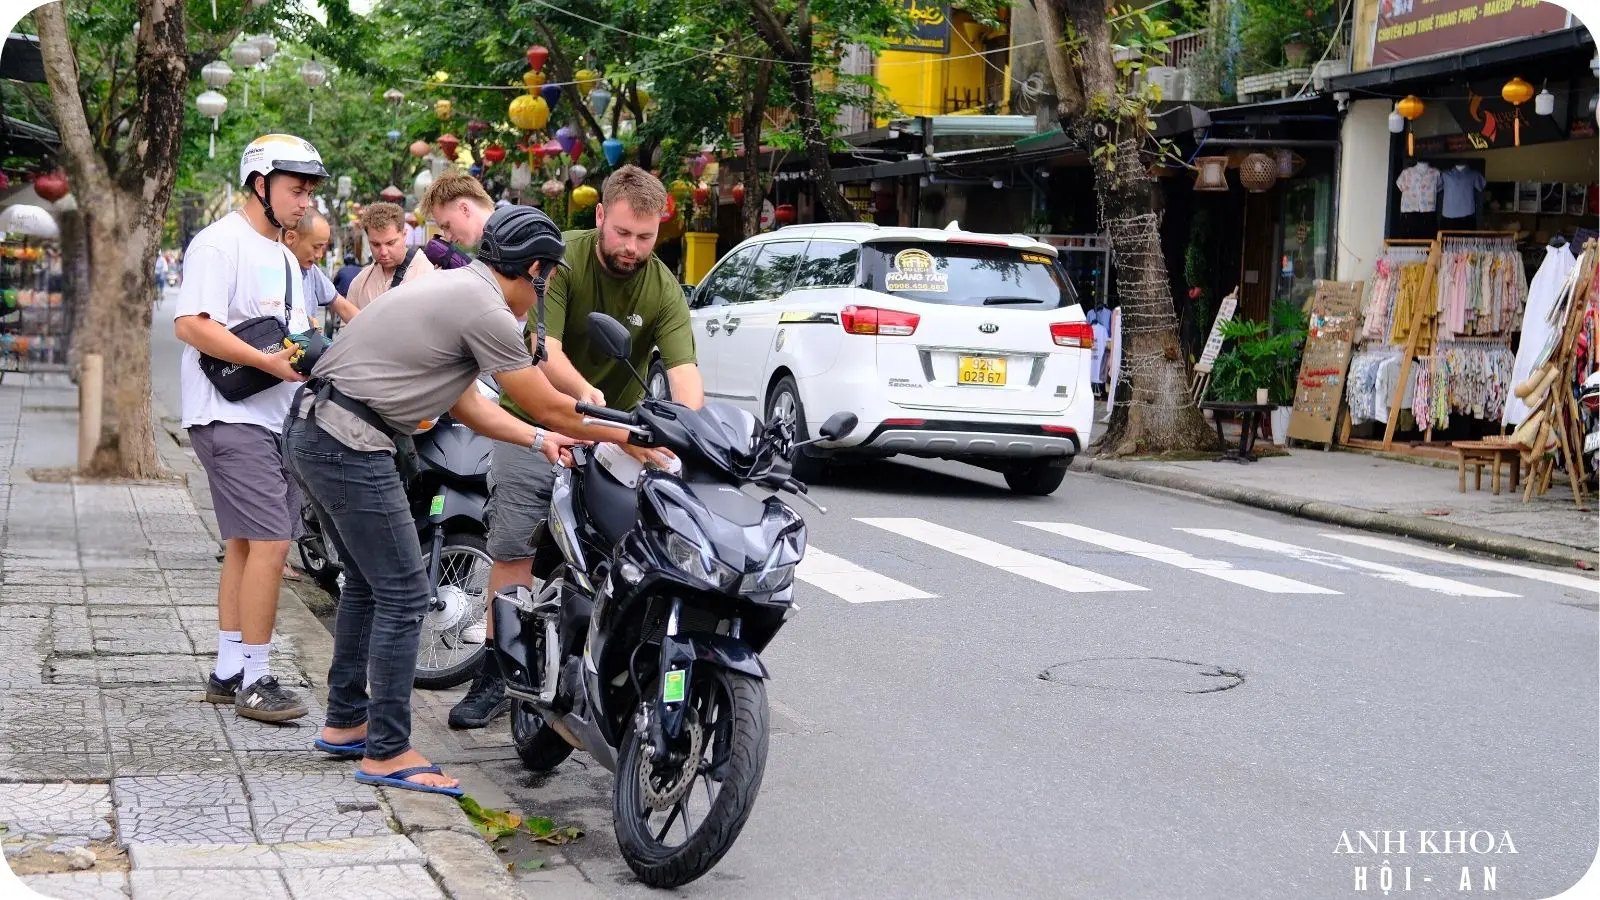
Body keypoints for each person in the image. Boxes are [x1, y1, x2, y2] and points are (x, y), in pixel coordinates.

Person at [285, 206, 669, 795]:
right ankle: (387, 749)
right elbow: (548, 402)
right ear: (537, 270)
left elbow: (470, 405)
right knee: (404, 591)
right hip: (347, 441)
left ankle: (345, 722)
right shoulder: (486, 307)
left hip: (320, 429)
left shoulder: (458, 287)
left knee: (367, 580)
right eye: (547, 283)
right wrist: (634, 436)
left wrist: (540, 441)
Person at [449, 164, 701, 729]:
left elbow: (684, 373)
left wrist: (690, 434)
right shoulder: (557, 258)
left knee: (624, 550)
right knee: (513, 545)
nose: (632, 248)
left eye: (645, 236)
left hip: (613, 435)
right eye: (622, 233)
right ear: (599, 218)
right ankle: (498, 669)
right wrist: (582, 393)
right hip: (537, 420)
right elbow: (545, 348)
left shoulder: (663, 286)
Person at [173, 133, 327, 723]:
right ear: (260, 184)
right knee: (271, 543)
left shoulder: (288, 256)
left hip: (274, 415)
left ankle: (229, 668)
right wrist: (265, 361)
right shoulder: (219, 244)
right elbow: (190, 324)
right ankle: (258, 680)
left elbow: (295, 334)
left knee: (244, 543)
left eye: (310, 191)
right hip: (227, 412)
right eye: (296, 189)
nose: (304, 202)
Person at [345, 202, 434, 311]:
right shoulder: (359, 283)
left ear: (404, 235)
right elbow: (348, 326)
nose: (383, 252)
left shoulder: (428, 273)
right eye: (376, 244)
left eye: (390, 243)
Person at [283, 208, 360, 329]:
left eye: (322, 247)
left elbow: (343, 307)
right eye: (315, 247)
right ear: (291, 238)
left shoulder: (311, 271)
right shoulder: (273, 269)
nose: (319, 255)